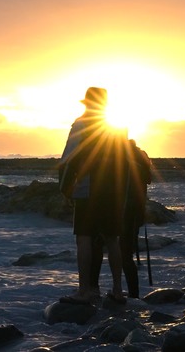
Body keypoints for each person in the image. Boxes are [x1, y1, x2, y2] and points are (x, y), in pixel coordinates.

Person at [58, 87, 127, 305]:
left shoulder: (81, 124)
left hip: (88, 189)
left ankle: (85, 290)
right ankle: (117, 290)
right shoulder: (115, 127)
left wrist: (65, 189)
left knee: (84, 239)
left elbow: (68, 159)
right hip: (113, 190)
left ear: (87, 103)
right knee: (112, 240)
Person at [90, 138, 152, 299]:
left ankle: (93, 288)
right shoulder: (140, 156)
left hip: (116, 209)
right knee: (126, 254)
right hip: (135, 211)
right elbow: (148, 180)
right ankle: (133, 295)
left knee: (97, 246)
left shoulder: (114, 157)